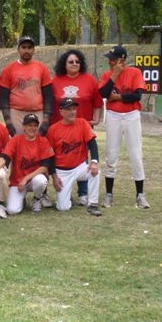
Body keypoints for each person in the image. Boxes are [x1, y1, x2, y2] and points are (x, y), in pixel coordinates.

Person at [98, 45, 150, 209]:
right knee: (111, 154)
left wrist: (118, 96)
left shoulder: (134, 72)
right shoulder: (108, 75)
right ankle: (108, 195)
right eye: (110, 59)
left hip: (131, 115)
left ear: (122, 59)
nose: (110, 62)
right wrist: (114, 74)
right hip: (113, 115)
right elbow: (104, 94)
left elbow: (137, 95)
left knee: (136, 153)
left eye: (113, 59)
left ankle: (140, 195)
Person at [51, 48, 104, 206]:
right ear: (64, 64)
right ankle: (62, 187)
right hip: (60, 126)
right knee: (64, 155)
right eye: (71, 62)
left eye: (77, 61)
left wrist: (96, 119)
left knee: (82, 157)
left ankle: (83, 192)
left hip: (83, 125)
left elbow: (97, 101)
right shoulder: (56, 80)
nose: (74, 64)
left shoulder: (89, 79)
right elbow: (51, 102)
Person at [47, 98, 102, 216]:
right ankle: (66, 196)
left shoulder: (82, 123)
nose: (72, 112)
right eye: (68, 109)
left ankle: (92, 204)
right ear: (61, 112)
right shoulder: (53, 129)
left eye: (74, 109)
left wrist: (94, 161)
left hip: (79, 167)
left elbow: (92, 143)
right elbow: (50, 156)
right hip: (62, 171)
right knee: (63, 208)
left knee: (95, 171)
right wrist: (54, 176)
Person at [0, 113, 54, 216]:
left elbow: (45, 167)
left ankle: (37, 199)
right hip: (17, 182)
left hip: (33, 180)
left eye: (34, 125)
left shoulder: (43, 141)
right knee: (12, 210)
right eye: (29, 125)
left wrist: (26, 179)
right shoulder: (16, 140)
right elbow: (5, 156)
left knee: (41, 180)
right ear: (23, 126)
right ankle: (21, 200)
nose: (32, 128)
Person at [0, 36, 53, 137]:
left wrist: (45, 120)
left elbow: (48, 96)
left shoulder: (42, 68)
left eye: (29, 47)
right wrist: (8, 122)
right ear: (18, 49)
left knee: (37, 145)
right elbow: (3, 98)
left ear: (33, 50)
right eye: (23, 47)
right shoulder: (9, 69)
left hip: (37, 112)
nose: (26, 50)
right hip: (17, 113)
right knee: (18, 145)